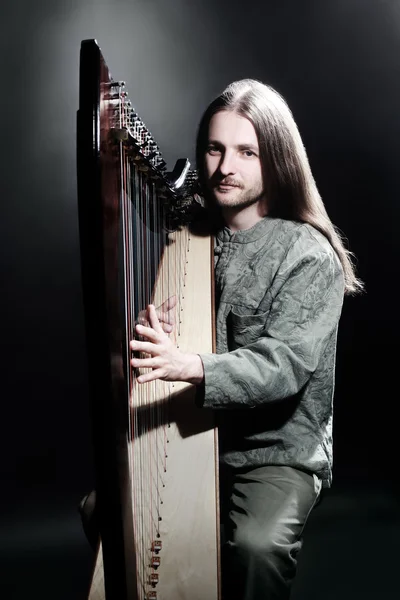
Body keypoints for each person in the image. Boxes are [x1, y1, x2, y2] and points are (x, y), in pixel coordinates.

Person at [128, 79, 363, 599]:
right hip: (201, 437)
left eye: (246, 151)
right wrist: (158, 327)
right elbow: (179, 335)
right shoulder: (193, 239)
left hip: (276, 452)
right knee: (107, 512)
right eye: (214, 148)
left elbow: (283, 365)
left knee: (256, 547)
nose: (224, 167)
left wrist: (191, 365)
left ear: (275, 158)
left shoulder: (309, 255)